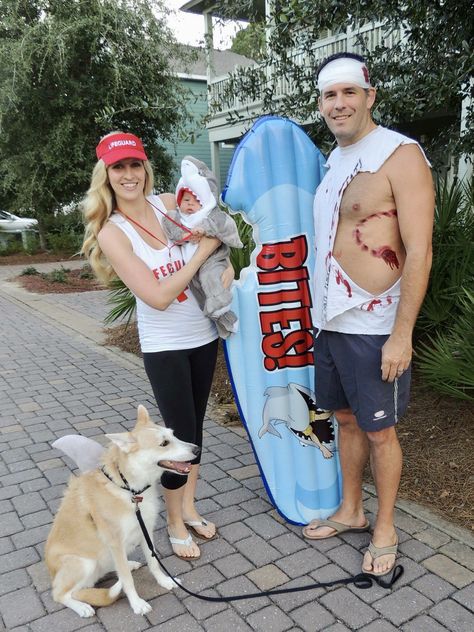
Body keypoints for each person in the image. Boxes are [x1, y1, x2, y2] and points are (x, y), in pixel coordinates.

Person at [303, 53, 434, 577]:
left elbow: (420, 251)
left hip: (375, 325)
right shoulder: (333, 162)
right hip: (331, 322)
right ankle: (351, 510)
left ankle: (385, 528)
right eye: (330, 95)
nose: (339, 104)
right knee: (346, 419)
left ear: (369, 96)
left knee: (380, 431)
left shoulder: (401, 154)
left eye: (349, 93)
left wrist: (402, 334)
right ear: (321, 104)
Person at [82, 131, 232, 559]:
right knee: (178, 434)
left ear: (144, 167)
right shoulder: (113, 232)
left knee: (195, 432)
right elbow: (158, 296)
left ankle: (190, 507)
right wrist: (202, 255)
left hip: (203, 335)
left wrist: (221, 269)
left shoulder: (168, 203)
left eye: (134, 165)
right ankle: (172, 521)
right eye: (118, 167)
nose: (128, 175)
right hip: (165, 346)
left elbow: (218, 229)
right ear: (106, 176)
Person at [163, 155, 243, 339]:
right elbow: (171, 230)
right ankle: (221, 321)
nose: (189, 204)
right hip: (190, 272)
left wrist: (204, 229)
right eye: (185, 200)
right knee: (201, 296)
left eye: (195, 199)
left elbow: (225, 226)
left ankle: (222, 311)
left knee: (211, 280)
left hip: (211, 261)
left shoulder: (210, 215)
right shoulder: (177, 217)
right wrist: (184, 236)